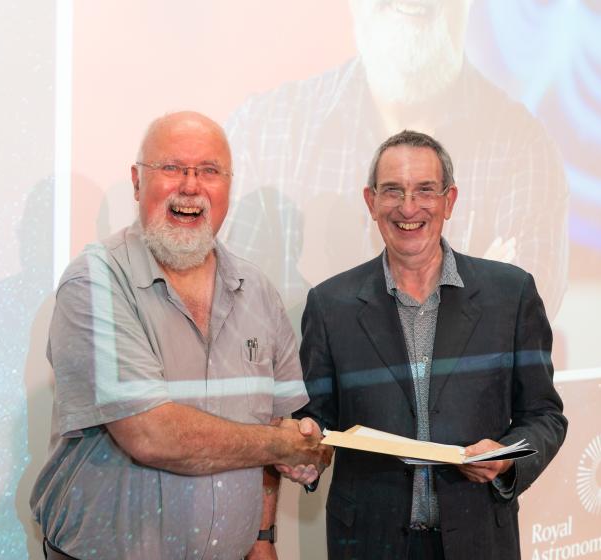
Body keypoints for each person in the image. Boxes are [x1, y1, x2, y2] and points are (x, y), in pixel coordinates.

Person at [30, 111, 330, 560]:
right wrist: (281, 445)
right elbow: (151, 434)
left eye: (209, 171)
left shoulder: (259, 292)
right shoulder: (95, 282)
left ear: (228, 187)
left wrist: (264, 534)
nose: (191, 187)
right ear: (137, 182)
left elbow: (277, 424)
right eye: (172, 168)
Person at [294, 130, 568, 560]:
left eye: (425, 190)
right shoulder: (330, 305)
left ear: (449, 200)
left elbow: (545, 417)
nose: (408, 208)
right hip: (367, 547)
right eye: (392, 191)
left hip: (478, 544)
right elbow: (315, 419)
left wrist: (506, 460)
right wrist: (303, 449)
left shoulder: (511, 294)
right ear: (371, 201)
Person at [222, 0, 568, 324]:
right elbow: (229, 333)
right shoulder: (262, 135)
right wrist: (462, 305)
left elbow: (518, 326)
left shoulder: (525, 152)